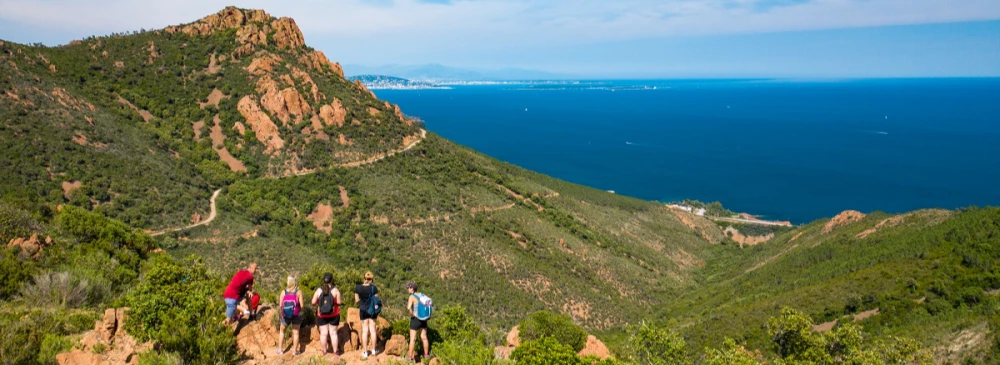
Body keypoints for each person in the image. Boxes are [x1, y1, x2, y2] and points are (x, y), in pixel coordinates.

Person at [312, 272, 342, 355]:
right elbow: (339, 302)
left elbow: (313, 302)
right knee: (333, 333)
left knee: (324, 333)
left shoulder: (319, 290)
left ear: (323, 280)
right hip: (334, 315)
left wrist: (320, 303)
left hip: (321, 315)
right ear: (331, 280)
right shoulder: (335, 290)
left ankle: (324, 351)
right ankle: (335, 351)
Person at [277, 275, 305, 356]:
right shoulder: (298, 292)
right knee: (296, 333)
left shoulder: (283, 292)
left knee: (282, 331)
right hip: (296, 314)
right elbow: (302, 305)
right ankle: (294, 351)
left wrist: (283, 313)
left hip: (285, 315)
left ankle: (280, 350)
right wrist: (299, 311)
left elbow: (280, 305)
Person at [354, 271, 380, 360]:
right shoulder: (374, 288)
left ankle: (365, 352)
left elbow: (357, 300)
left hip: (363, 310)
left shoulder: (358, 288)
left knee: (364, 331)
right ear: (371, 280)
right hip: (372, 311)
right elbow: (376, 300)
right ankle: (373, 350)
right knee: (372, 330)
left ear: (364, 278)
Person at [406, 282, 431, 361]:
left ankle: (410, 358)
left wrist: (412, 315)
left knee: (412, 339)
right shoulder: (422, 294)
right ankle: (426, 355)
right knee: (424, 337)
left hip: (416, 319)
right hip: (424, 319)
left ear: (412, 288)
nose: (407, 289)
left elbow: (408, 308)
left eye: (408, 288)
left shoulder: (412, 297)